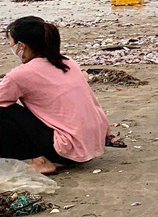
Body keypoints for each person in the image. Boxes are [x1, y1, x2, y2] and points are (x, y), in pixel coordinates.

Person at [0, 17, 111, 174]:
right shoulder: (67, 62)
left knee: (4, 112)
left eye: (11, 42)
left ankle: (39, 160)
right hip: (93, 142)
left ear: (21, 45)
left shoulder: (21, 74)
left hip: (67, 149)